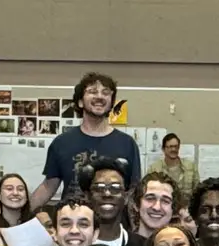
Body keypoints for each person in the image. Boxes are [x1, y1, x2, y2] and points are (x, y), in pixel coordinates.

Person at [34, 72, 142, 206]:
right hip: (74, 222)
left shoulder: (127, 144)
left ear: (111, 103)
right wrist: (21, 216)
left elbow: (134, 191)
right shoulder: (62, 143)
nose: (100, 97)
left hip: (113, 223)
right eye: (92, 91)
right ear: (80, 102)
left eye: (106, 92)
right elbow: (48, 186)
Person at [81, 160, 137, 246]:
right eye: (99, 188)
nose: (107, 194)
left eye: (115, 188)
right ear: (87, 196)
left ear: (126, 197)